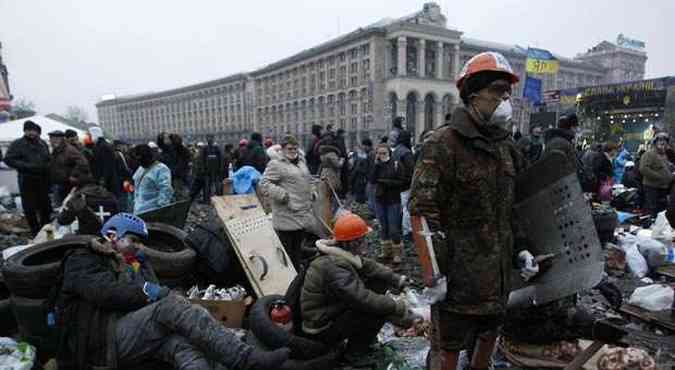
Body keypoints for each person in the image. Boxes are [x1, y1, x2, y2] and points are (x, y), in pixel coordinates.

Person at [409, 52, 539, 370]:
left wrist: (522, 247)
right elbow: (423, 211)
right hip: (457, 278)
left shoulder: (507, 148)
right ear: (473, 93)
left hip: (497, 277)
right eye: (497, 90)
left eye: (508, 92)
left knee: (488, 340)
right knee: (449, 349)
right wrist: (433, 274)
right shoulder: (443, 144)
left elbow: (514, 206)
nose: (505, 99)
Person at [53, 212, 291, 369]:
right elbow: (105, 293)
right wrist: (148, 289)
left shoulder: (128, 262)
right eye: (133, 240)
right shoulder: (82, 259)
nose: (138, 247)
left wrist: (142, 268)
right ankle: (246, 360)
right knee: (171, 305)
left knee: (183, 344)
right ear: (112, 235)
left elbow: (149, 294)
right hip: (99, 341)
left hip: (128, 334)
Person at [300, 213, 420, 356]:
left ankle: (367, 335)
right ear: (352, 243)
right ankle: (355, 353)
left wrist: (396, 279)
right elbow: (362, 299)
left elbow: (370, 266)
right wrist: (396, 306)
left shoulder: (341, 253)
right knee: (376, 311)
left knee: (379, 281)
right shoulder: (334, 267)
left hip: (330, 311)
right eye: (362, 240)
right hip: (322, 327)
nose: (365, 243)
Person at [260, 135, 315, 270]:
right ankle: (289, 279)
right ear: (283, 149)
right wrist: (282, 195)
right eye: (290, 148)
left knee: (297, 250)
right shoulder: (276, 164)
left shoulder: (301, 162)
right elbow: (264, 183)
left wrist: (312, 191)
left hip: (302, 213)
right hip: (286, 214)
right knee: (287, 252)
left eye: (295, 148)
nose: (293, 151)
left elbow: (309, 179)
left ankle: (296, 275)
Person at [4, 120, 52, 235]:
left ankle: (47, 231)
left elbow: (47, 158)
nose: (31, 133)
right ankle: (35, 231)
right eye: (28, 130)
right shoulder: (18, 144)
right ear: (24, 131)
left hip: (42, 179)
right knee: (29, 208)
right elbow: (8, 159)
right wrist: (26, 166)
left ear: (36, 131)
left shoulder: (42, 143)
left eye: (33, 130)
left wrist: (48, 167)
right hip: (27, 179)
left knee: (45, 206)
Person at [57, 163, 119, 235]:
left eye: (73, 177)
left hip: (88, 240)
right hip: (109, 238)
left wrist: (69, 197)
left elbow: (62, 220)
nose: (70, 179)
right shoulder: (110, 195)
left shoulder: (78, 198)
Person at [370, 143, 405, 264]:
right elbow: (372, 180)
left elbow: (401, 181)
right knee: (383, 227)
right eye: (379, 153)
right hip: (380, 199)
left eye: (384, 153)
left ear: (389, 152)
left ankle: (397, 253)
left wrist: (385, 182)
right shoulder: (378, 165)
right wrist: (376, 165)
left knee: (393, 229)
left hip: (393, 200)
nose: (381, 155)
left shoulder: (396, 164)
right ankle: (386, 251)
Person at [48, 130, 88, 207]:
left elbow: (83, 163)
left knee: (68, 208)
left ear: (62, 139)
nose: (53, 141)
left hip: (67, 185)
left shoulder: (69, 149)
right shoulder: (55, 151)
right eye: (52, 139)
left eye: (56, 138)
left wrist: (73, 175)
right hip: (58, 184)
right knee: (60, 208)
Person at [132, 144, 174, 215]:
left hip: (152, 211)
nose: (139, 162)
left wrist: (161, 209)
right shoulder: (140, 169)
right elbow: (137, 188)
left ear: (147, 157)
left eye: (140, 159)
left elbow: (165, 190)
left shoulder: (161, 169)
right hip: (138, 210)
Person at [639, 132, 674, 217]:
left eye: (665, 141)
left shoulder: (664, 155)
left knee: (662, 210)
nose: (663, 143)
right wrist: (660, 177)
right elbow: (643, 169)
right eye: (660, 141)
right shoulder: (649, 154)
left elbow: (665, 168)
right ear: (655, 142)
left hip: (663, 187)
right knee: (653, 210)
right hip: (652, 187)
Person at [392, 130, 415, 242]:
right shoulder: (406, 152)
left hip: (396, 184)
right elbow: (411, 170)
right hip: (406, 185)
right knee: (407, 208)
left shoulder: (395, 150)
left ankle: (397, 229)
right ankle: (407, 231)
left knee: (399, 208)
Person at [89, 126, 122, 198]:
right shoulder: (101, 145)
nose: (90, 137)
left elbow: (107, 165)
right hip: (106, 179)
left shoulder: (103, 146)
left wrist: (103, 178)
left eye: (90, 135)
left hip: (107, 181)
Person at [350, 138, 373, 205]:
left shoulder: (369, 155)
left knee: (361, 199)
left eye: (363, 146)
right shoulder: (367, 154)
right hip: (362, 180)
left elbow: (364, 168)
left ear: (367, 146)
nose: (363, 148)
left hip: (363, 180)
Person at [201, 135, 224, 201]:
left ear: (213, 139)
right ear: (206, 139)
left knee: (217, 185)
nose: (209, 139)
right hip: (207, 170)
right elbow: (202, 159)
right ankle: (206, 199)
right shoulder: (205, 148)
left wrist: (221, 168)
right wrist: (203, 169)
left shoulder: (217, 148)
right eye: (208, 138)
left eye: (211, 138)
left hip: (216, 170)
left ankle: (219, 198)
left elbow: (221, 159)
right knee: (207, 185)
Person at [170, 134, 192, 199]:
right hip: (180, 173)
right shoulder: (182, 149)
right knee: (181, 189)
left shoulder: (177, 149)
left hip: (178, 173)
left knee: (179, 190)